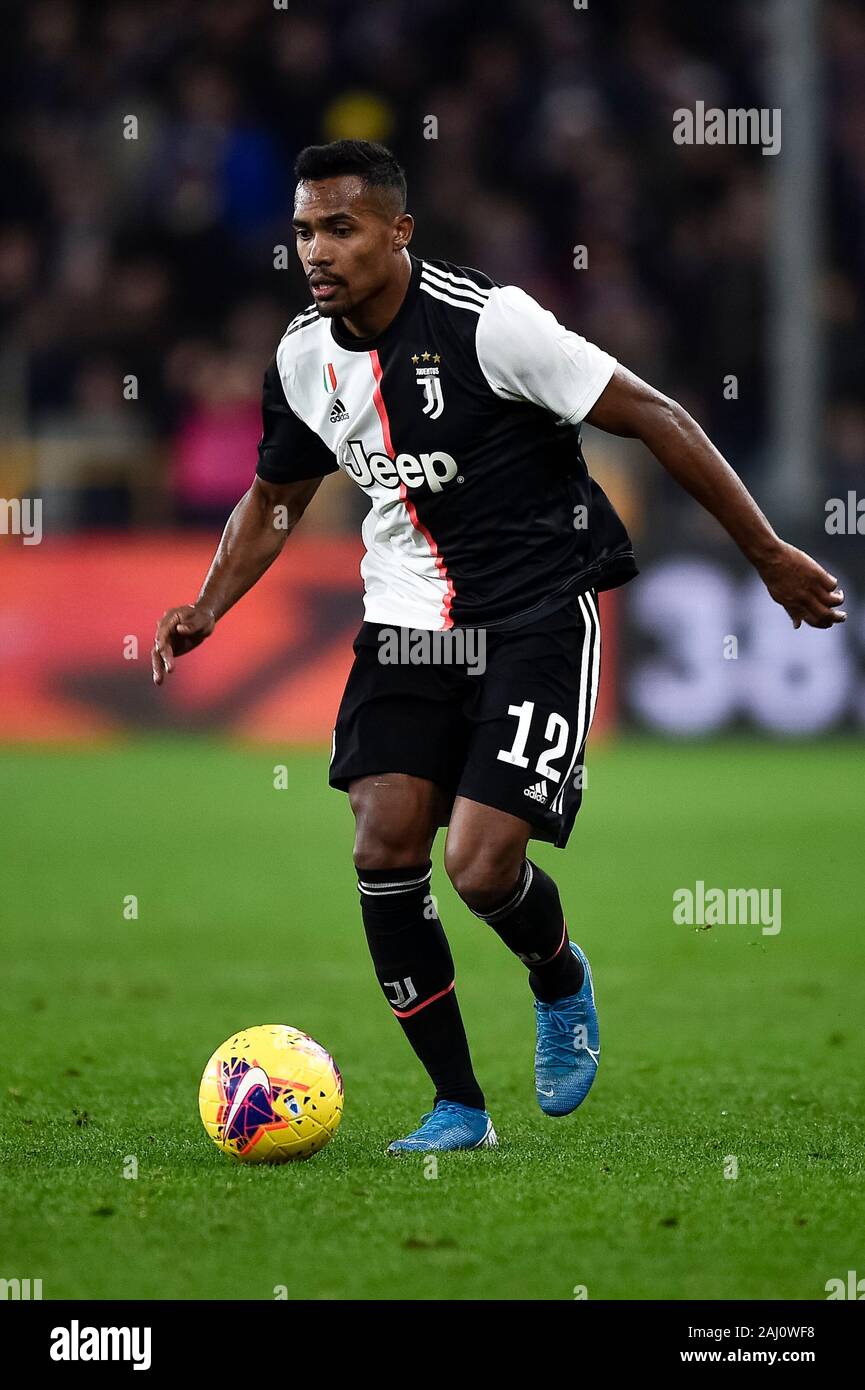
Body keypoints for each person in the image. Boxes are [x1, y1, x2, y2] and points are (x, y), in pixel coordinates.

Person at [152, 140, 846, 1154]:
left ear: (399, 231)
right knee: (383, 841)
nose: (316, 249)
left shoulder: (492, 324)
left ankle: (557, 975)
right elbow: (275, 496)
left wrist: (769, 553)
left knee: (479, 869)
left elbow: (652, 415)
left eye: (340, 227)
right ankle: (458, 1106)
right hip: (404, 624)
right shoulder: (304, 357)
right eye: (303, 229)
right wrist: (209, 602)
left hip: (532, 619)